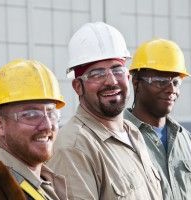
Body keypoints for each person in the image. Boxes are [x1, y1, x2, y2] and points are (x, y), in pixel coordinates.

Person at [47, 22, 162, 199]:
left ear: (128, 77)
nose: (111, 81)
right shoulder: (74, 148)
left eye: (117, 69)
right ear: (78, 86)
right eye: (97, 73)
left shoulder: (134, 133)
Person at [124, 38, 191, 200]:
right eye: (161, 81)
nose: (171, 89)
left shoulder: (187, 141)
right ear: (136, 83)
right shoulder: (118, 137)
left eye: (176, 82)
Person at [0, 59, 68, 200]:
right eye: (31, 115)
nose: (47, 125)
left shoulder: (46, 182)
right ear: (0, 125)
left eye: (52, 113)